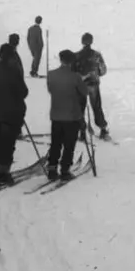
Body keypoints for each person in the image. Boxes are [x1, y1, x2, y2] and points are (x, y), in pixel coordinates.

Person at [0, 44, 29, 184]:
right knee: (8, 143)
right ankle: (4, 172)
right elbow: (23, 92)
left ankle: (1, 170)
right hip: (11, 113)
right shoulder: (14, 72)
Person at [45, 50, 89, 182]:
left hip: (56, 114)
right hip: (72, 115)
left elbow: (51, 90)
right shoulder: (75, 77)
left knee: (55, 143)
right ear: (72, 61)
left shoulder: (51, 74)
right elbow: (84, 92)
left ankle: (52, 168)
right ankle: (64, 170)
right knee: (69, 144)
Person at [73, 33, 109, 140]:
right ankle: (103, 129)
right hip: (93, 84)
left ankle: (82, 132)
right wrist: (96, 74)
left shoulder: (76, 56)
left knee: (80, 108)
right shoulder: (97, 55)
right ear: (91, 41)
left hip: (80, 85)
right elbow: (103, 70)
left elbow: (73, 72)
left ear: (82, 42)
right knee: (96, 107)